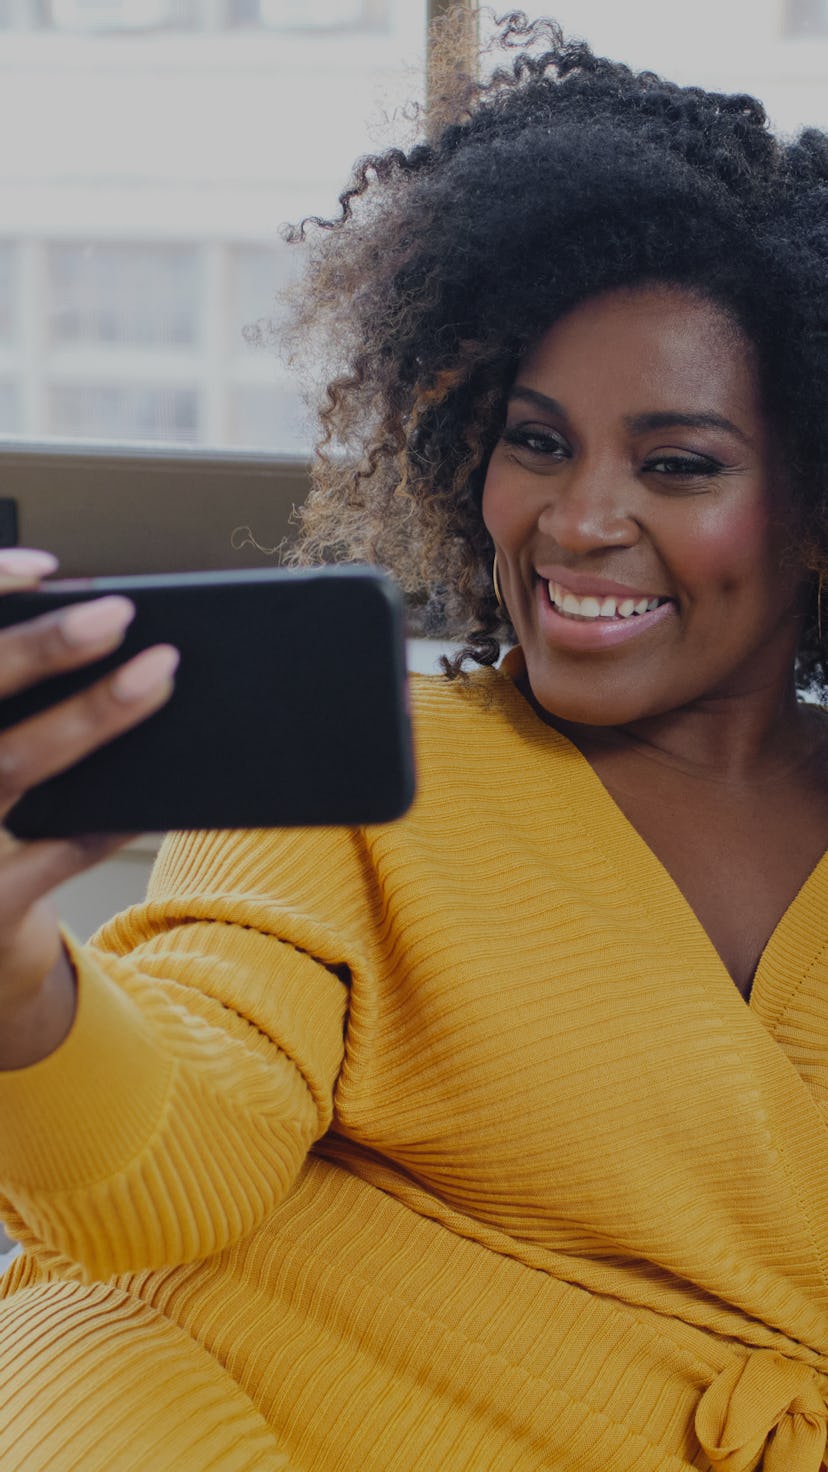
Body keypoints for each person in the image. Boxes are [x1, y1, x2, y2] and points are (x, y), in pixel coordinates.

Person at [1, 12, 828, 1469]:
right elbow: (168, 1162)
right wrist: (16, 989)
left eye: (678, 463)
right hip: (206, 1410)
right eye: (536, 439)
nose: (574, 520)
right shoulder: (375, 765)